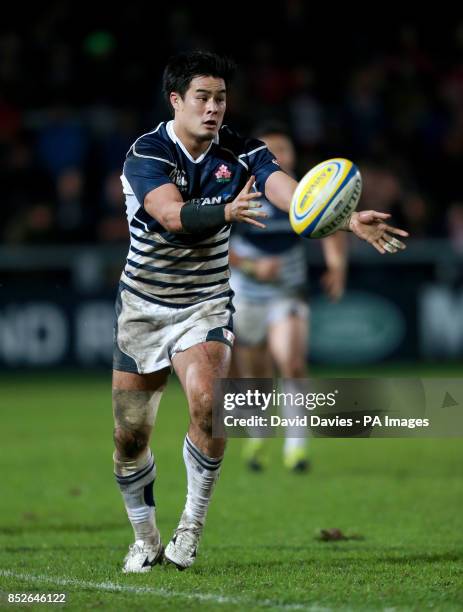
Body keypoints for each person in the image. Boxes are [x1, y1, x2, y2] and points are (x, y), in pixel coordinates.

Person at [112, 50, 408, 574]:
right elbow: (169, 214)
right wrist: (225, 211)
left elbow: (291, 198)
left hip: (204, 304)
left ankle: (190, 529)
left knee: (208, 403)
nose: (213, 108)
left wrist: (341, 219)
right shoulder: (148, 154)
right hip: (143, 308)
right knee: (130, 437)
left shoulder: (243, 152)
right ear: (176, 100)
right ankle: (144, 536)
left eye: (220, 98)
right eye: (201, 97)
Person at [229, 122, 347, 473]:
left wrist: (336, 266)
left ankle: (297, 446)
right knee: (256, 375)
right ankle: (260, 429)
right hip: (246, 294)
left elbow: (330, 224)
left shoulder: (304, 193)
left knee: (291, 362)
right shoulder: (242, 189)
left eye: (286, 148)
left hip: (287, 293)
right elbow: (212, 243)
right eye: (273, 149)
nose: (281, 155)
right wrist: (251, 266)